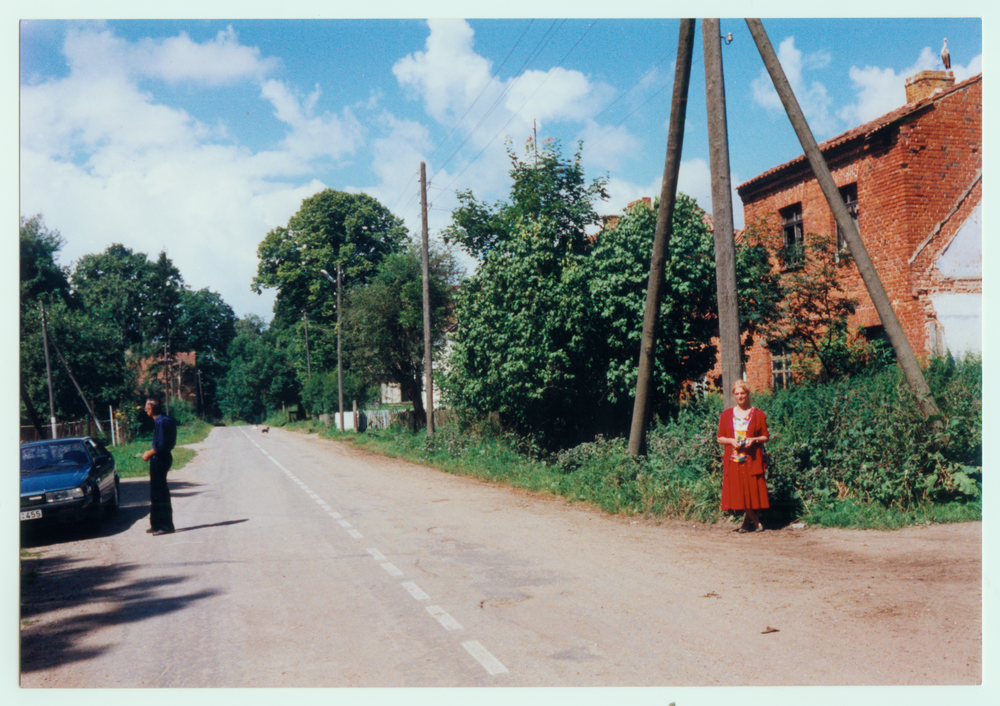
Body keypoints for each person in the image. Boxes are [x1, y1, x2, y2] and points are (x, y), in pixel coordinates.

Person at [717, 380, 770, 532]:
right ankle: (756, 522)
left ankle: (747, 524)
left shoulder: (758, 414)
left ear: (748, 394)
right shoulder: (726, 414)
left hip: (752, 459)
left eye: (743, 393)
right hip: (733, 459)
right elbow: (720, 438)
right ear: (734, 395)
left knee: (752, 491)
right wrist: (731, 441)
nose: (740, 396)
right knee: (738, 492)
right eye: (737, 393)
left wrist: (753, 440)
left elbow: (765, 437)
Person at [142, 398, 177, 535]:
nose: (145, 410)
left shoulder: (161, 422)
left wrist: (149, 454)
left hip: (161, 458)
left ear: (151, 408)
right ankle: (156, 524)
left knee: (160, 492)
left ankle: (166, 526)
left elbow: (161, 445)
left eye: (146, 407)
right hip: (161, 457)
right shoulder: (164, 420)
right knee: (155, 491)